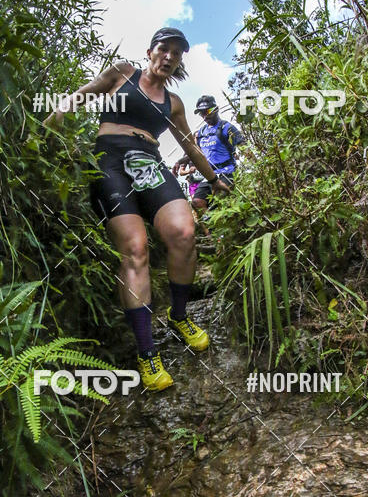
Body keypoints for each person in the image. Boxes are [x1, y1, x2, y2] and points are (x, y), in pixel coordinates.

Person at [44, 28, 229, 392]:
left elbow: (189, 147)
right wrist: (48, 125)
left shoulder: (173, 103)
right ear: (150, 51)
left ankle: (179, 317)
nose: (170, 56)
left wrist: (215, 178)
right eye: (164, 48)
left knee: (184, 232)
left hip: (150, 164)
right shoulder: (122, 73)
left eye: (177, 53)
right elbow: (79, 98)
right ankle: (147, 353)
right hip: (109, 163)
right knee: (135, 249)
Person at [175, 95, 244, 219]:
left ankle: (228, 226)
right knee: (197, 202)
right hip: (210, 175)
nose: (204, 116)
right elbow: (195, 152)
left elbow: (243, 145)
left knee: (220, 197)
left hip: (227, 172)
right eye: (201, 113)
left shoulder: (226, 127)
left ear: (215, 109)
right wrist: (180, 161)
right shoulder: (201, 132)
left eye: (207, 111)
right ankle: (213, 235)